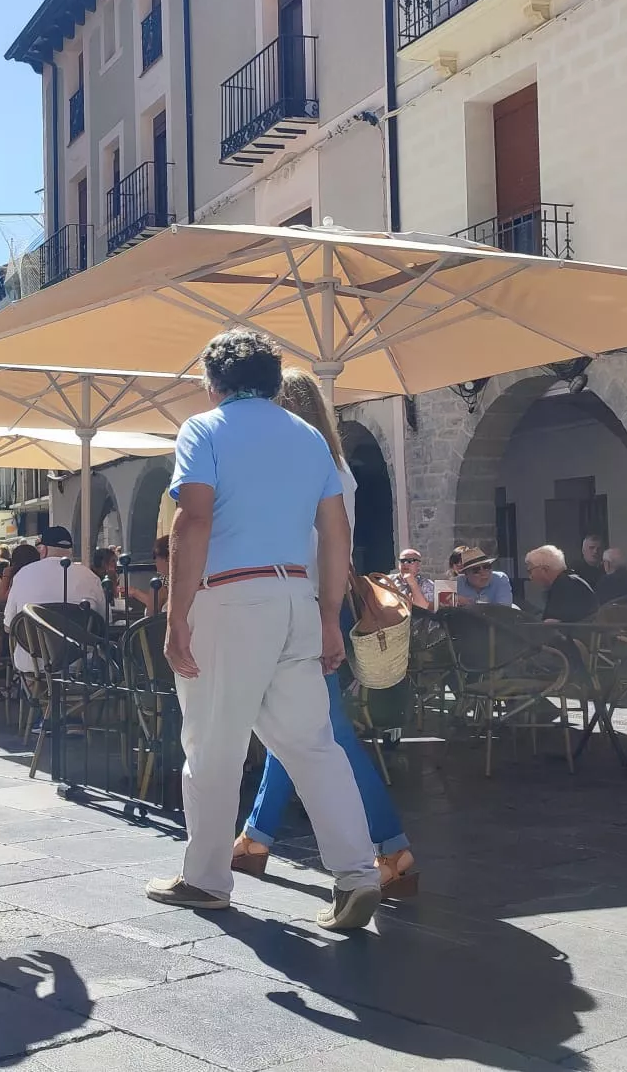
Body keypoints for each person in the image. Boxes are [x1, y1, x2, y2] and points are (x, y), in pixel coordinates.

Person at [151, 329, 383, 931]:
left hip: (230, 598)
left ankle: (205, 879)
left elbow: (192, 519)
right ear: (274, 380)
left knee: (212, 748)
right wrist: (330, 617)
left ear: (212, 380)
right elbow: (336, 535)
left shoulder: (203, 430)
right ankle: (358, 873)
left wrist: (177, 617)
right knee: (313, 747)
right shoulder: (309, 438)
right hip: (295, 598)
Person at [230, 370, 415, 897]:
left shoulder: (295, 466)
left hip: (301, 607)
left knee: (322, 733)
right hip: (321, 607)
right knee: (295, 726)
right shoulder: (338, 469)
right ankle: (256, 839)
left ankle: (392, 845)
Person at [1, 525, 106, 673]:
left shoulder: (24, 574)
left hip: (34, 663)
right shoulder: (89, 576)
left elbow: (8, 626)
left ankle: (36, 694)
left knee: (31, 672)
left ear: (42, 549)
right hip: (79, 664)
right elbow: (102, 623)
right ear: (70, 551)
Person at [525, 545, 597, 624]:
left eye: (530, 571)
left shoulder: (567, 586)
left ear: (544, 570)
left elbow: (554, 624)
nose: (530, 577)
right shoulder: (568, 582)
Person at [450, 546, 515, 607]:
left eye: (487, 567)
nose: (483, 573)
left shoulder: (500, 579)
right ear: (466, 574)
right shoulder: (456, 583)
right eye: (476, 570)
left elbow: (504, 609)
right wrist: (452, 600)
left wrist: (469, 603)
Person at [126, 534, 171, 612]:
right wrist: (136, 592)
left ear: (167, 558)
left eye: (155, 556)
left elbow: (151, 614)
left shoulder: (161, 583)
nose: (155, 562)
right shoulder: (193, 581)